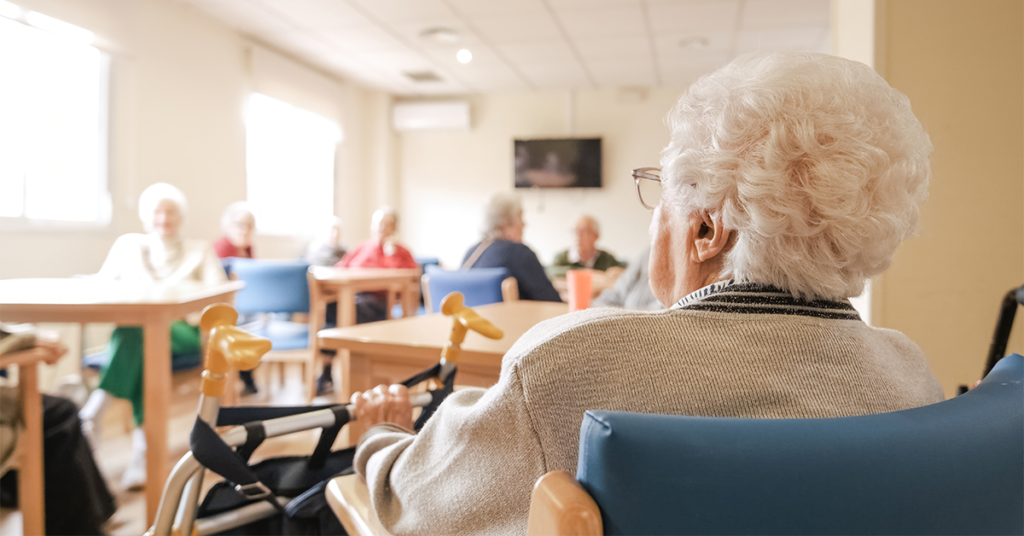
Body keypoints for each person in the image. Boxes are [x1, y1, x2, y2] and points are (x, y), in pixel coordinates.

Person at [348, 51, 944, 536]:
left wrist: (381, 434)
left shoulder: (568, 366)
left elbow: (414, 506)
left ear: (706, 229)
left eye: (660, 191)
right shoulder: (913, 378)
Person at [78, 182, 225, 490]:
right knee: (143, 342)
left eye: (170, 211)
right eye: (157, 211)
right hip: (140, 333)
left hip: (182, 331)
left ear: (180, 215)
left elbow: (219, 295)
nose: (164, 218)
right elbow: (102, 284)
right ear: (147, 216)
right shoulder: (127, 245)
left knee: (140, 333)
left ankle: (94, 412)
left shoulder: (199, 251)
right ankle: (142, 455)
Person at [317, 207, 418, 395]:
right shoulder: (362, 247)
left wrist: (391, 254)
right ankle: (327, 370)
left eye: (385, 224)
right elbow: (342, 267)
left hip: (379, 303)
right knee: (332, 309)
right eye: (377, 224)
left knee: (338, 315)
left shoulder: (401, 252)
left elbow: (408, 279)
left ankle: (328, 372)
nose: (380, 228)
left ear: (394, 228)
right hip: (352, 296)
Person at [460, 194, 561, 302]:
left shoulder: (472, 252)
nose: (524, 224)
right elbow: (552, 301)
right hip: (511, 318)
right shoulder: (520, 253)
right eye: (520, 218)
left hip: (473, 318)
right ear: (506, 224)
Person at [212, 202, 259, 395]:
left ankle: (246, 371)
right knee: (245, 324)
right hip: (226, 306)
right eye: (239, 225)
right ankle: (245, 372)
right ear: (228, 226)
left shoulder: (248, 250)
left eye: (248, 226)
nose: (244, 230)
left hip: (247, 304)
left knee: (262, 319)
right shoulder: (220, 249)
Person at [548, 215, 626, 278]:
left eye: (584, 231)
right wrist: (592, 274)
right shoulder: (561, 258)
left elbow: (625, 271)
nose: (578, 235)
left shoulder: (606, 258)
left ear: (596, 236)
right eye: (575, 231)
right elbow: (550, 271)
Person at [591, 245, 662, 310]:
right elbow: (619, 289)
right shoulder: (649, 254)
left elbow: (662, 310)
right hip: (621, 313)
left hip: (638, 319)